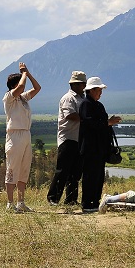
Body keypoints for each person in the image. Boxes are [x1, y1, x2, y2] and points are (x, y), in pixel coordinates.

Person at [78, 76, 122, 213]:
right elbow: (90, 123)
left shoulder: (98, 105)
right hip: (90, 147)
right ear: (91, 90)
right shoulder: (86, 104)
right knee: (90, 176)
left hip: (100, 148)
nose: (101, 93)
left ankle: (95, 202)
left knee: (98, 176)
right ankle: (87, 203)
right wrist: (108, 123)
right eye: (99, 90)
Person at [3, 62, 41, 213]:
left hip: (26, 134)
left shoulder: (23, 99)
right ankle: (10, 203)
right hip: (14, 134)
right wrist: (23, 74)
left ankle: (21, 202)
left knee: (24, 169)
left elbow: (37, 88)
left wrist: (28, 73)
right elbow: (21, 88)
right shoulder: (9, 97)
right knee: (12, 168)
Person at [47, 71, 87, 206]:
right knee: (62, 170)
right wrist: (87, 118)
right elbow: (70, 115)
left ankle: (71, 199)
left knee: (75, 173)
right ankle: (53, 198)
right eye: (83, 83)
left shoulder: (82, 98)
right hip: (68, 138)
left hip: (78, 139)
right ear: (75, 84)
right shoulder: (68, 98)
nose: (85, 86)